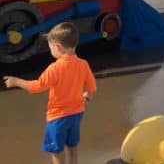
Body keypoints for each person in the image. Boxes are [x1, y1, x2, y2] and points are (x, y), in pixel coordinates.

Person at [3, 22, 96, 164]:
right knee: (72, 147)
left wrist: (16, 82)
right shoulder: (83, 64)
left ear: (57, 47)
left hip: (58, 117)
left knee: (56, 150)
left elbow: (37, 87)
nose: (50, 49)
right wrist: (87, 96)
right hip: (77, 114)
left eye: (50, 46)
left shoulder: (55, 68)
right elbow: (91, 86)